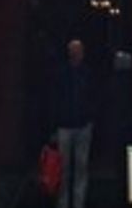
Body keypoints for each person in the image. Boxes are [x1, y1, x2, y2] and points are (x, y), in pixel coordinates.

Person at [53, 39, 95, 208]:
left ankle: (78, 203)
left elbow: (94, 96)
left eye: (79, 50)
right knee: (63, 169)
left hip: (84, 125)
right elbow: (54, 99)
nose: (77, 54)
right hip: (64, 125)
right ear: (69, 52)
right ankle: (62, 203)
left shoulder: (88, 73)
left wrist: (91, 117)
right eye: (74, 50)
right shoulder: (61, 73)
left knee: (81, 168)